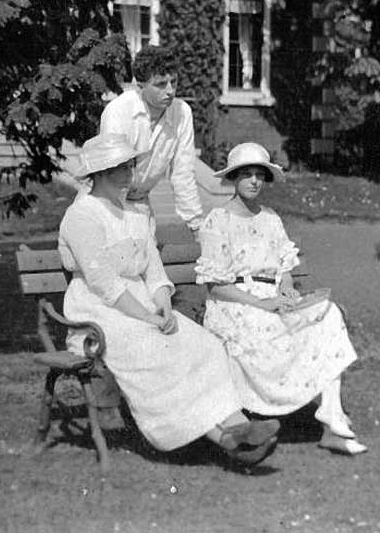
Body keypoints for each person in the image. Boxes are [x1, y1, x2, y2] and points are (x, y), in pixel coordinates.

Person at [59, 133, 279, 465]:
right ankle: (222, 438)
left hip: (141, 304)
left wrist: (162, 302)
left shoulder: (134, 212)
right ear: (100, 171)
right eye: (120, 166)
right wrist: (147, 318)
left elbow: (153, 269)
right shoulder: (83, 215)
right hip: (98, 312)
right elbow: (103, 284)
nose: (128, 172)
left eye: (130, 165)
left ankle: (238, 426)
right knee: (159, 349)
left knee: (203, 344)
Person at [194, 142, 368, 456]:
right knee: (267, 326)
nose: (253, 181)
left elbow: (284, 268)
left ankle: (331, 416)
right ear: (233, 178)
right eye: (245, 174)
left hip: (274, 297)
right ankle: (322, 420)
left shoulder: (271, 217)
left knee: (328, 314)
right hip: (235, 304)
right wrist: (261, 304)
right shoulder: (217, 220)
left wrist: (286, 290)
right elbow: (215, 287)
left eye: (259, 175)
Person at [99, 45, 203, 238]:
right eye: (161, 84)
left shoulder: (182, 112)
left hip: (141, 202)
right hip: (106, 202)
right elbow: (112, 175)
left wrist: (196, 225)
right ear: (140, 85)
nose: (170, 90)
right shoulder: (118, 111)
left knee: (150, 262)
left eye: (174, 81)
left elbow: (183, 172)